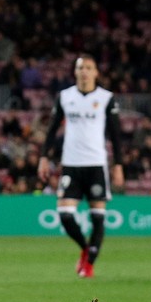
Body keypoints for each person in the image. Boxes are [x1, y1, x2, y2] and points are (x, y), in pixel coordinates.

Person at [37, 53, 124, 278]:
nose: (84, 71)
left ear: (96, 72)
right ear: (75, 72)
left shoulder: (106, 98)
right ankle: (86, 249)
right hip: (71, 164)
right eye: (80, 67)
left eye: (88, 67)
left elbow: (116, 135)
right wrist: (44, 157)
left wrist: (118, 165)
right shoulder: (65, 97)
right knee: (65, 214)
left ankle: (89, 264)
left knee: (98, 217)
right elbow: (52, 129)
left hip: (96, 165)